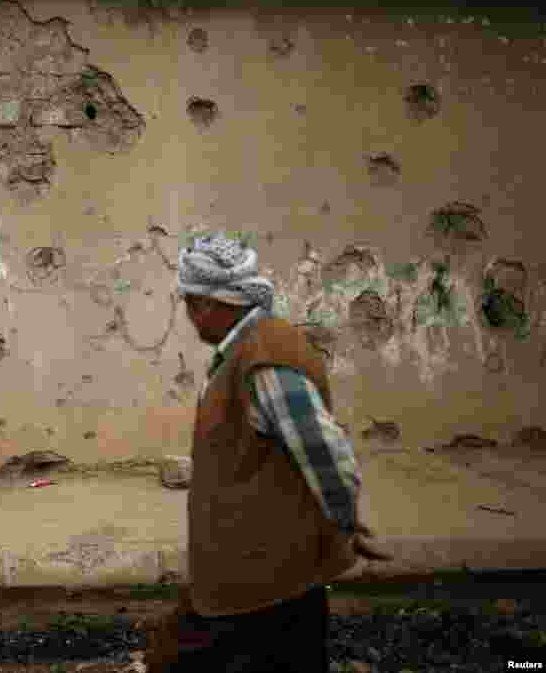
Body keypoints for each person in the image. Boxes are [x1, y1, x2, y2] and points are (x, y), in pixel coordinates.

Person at [145, 232, 394, 673]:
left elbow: (323, 449)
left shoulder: (265, 360)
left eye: (188, 304)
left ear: (207, 303)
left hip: (264, 578)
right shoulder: (244, 349)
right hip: (251, 572)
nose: (188, 317)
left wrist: (344, 521)